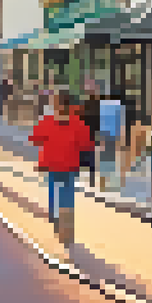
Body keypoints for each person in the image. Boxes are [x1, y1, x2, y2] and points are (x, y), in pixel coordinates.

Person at [29, 92, 93, 245]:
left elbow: (35, 139)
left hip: (52, 165)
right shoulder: (77, 123)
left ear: (55, 105)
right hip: (70, 165)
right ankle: (67, 228)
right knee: (68, 195)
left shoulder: (47, 121)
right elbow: (86, 144)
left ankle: (56, 218)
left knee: (53, 192)